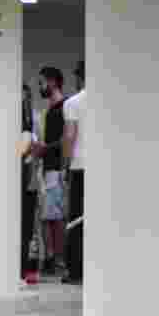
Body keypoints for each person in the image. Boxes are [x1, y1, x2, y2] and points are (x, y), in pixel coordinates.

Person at [32, 66, 67, 276]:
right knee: (47, 217)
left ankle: (58, 260)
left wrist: (46, 149)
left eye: (42, 82)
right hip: (46, 169)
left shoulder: (64, 107)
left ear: (53, 82)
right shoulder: (49, 111)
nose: (40, 86)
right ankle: (51, 257)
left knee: (56, 218)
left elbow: (66, 139)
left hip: (57, 169)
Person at [62, 61, 87, 285]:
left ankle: (76, 270)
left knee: (77, 220)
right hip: (105, 168)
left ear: (80, 78)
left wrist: (65, 166)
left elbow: (70, 136)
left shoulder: (73, 103)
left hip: (80, 166)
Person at [21, 84, 41, 285]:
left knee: (29, 228)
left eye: (26, 99)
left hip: (31, 180)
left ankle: (29, 268)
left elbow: (39, 148)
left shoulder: (35, 119)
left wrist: (32, 149)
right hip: (16, 181)